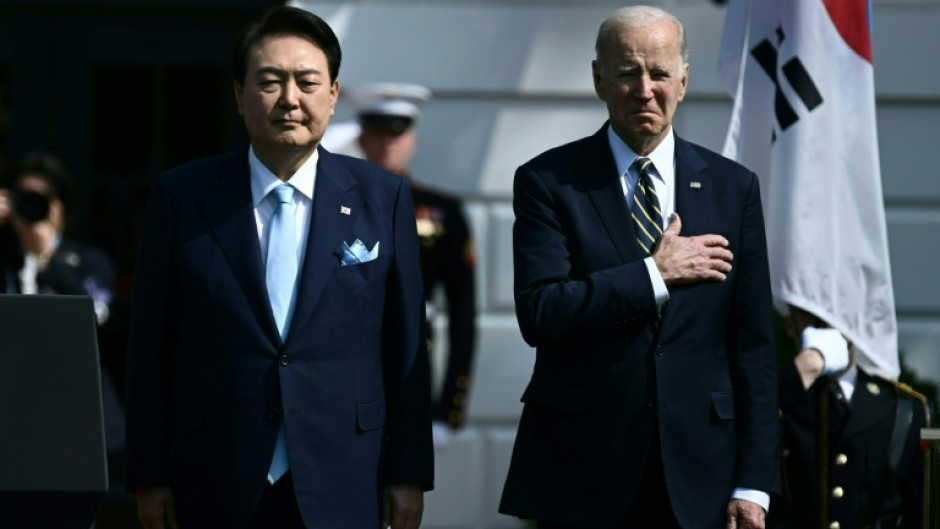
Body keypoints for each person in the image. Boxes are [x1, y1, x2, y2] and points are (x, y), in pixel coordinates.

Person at [124, 6, 433, 529]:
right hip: (214, 475)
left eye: (307, 82)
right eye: (270, 81)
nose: (290, 99)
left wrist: (409, 474)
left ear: (333, 96)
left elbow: (405, 346)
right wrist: (149, 476)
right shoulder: (183, 197)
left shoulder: (384, 198)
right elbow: (151, 345)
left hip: (346, 474)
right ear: (239, 94)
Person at [499, 6, 779, 529]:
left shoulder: (732, 187)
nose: (644, 88)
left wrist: (755, 482)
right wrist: (654, 274)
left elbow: (753, 347)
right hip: (583, 469)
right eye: (628, 72)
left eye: (660, 73)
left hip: (703, 471)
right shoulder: (548, 181)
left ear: (685, 80)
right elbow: (540, 312)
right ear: (599, 79)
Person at [346, 82, 478, 446]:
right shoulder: (337, 206)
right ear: (361, 139)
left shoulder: (443, 210)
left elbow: (463, 313)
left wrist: (449, 407)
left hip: (416, 362)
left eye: (398, 131)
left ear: (413, 139)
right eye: (377, 132)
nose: (388, 142)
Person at [770, 306, 928, 529]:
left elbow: (919, 514)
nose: (826, 324)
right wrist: (807, 366)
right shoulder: (775, 398)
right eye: (810, 313)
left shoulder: (903, 409)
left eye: (837, 311)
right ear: (789, 324)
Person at [0, 151, 115, 322]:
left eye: (42, 200)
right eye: (25, 198)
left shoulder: (90, 261)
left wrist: (48, 259)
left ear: (62, 208)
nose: (32, 207)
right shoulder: (4, 259)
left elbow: (96, 315)